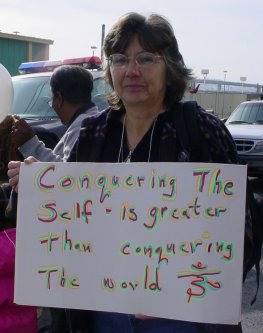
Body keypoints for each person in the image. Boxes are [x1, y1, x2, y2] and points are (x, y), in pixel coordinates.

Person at [8, 12, 254, 333]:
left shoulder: (201, 130)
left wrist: (175, 290)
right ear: (110, 69)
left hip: (181, 316)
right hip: (104, 311)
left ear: (171, 67)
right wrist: (35, 184)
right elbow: (72, 212)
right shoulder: (94, 132)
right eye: (120, 59)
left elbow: (238, 229)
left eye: (147, 58)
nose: (132, 70)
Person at [11, 64, 99, 162]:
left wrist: (30, 143)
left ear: (59, 98)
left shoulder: (83, 127)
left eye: (52, 99)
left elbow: (66, 174)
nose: (52, 105)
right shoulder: (91, 122)